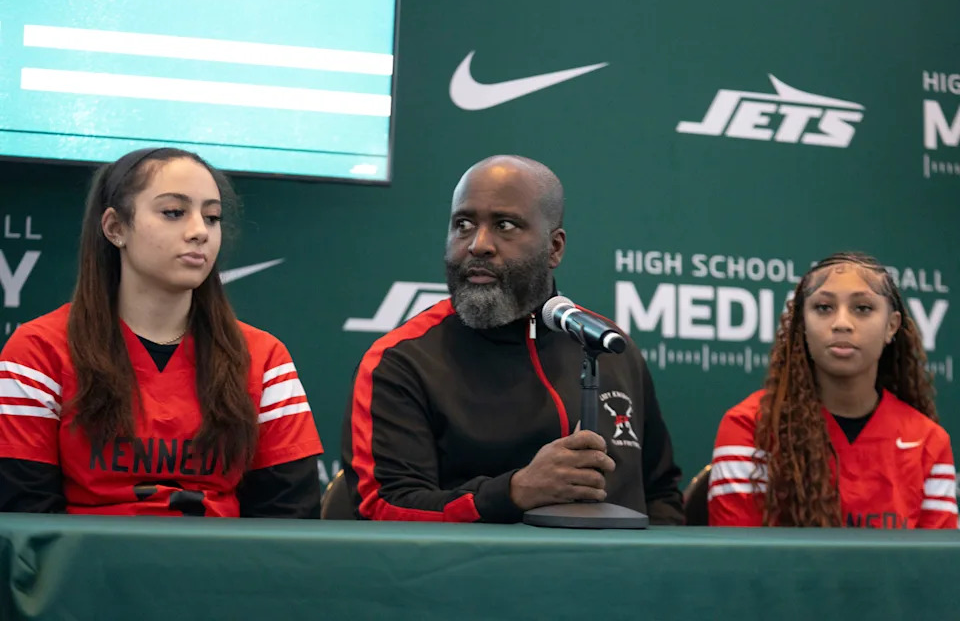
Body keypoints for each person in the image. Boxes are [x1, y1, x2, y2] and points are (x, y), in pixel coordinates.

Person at [341, 155, 683, 523]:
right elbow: (386, 506)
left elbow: (660, 495)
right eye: (463, 224)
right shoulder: (403, 360)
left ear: (554, 248)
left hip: (616, 560)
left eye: (504, 225)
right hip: (476, 562)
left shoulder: (608, 345)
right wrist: (513, 492)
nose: (478, 245)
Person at [0, 147, 324, 517]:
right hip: (84, 557)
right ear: (115, 227)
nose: (199, 232)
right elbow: (25, 522)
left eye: (212, 217)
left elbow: (289, 520)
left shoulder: (264, 358)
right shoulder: (38, 352)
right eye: (173, 212)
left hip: (224, 555)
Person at [708, 252, 957, 528]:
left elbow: (937, 556)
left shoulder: (928, 442)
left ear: (891, 326)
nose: (841, 323)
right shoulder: (750, 426)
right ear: (802, 324)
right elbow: (738, 552)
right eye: (824, 307)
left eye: (863, 308)